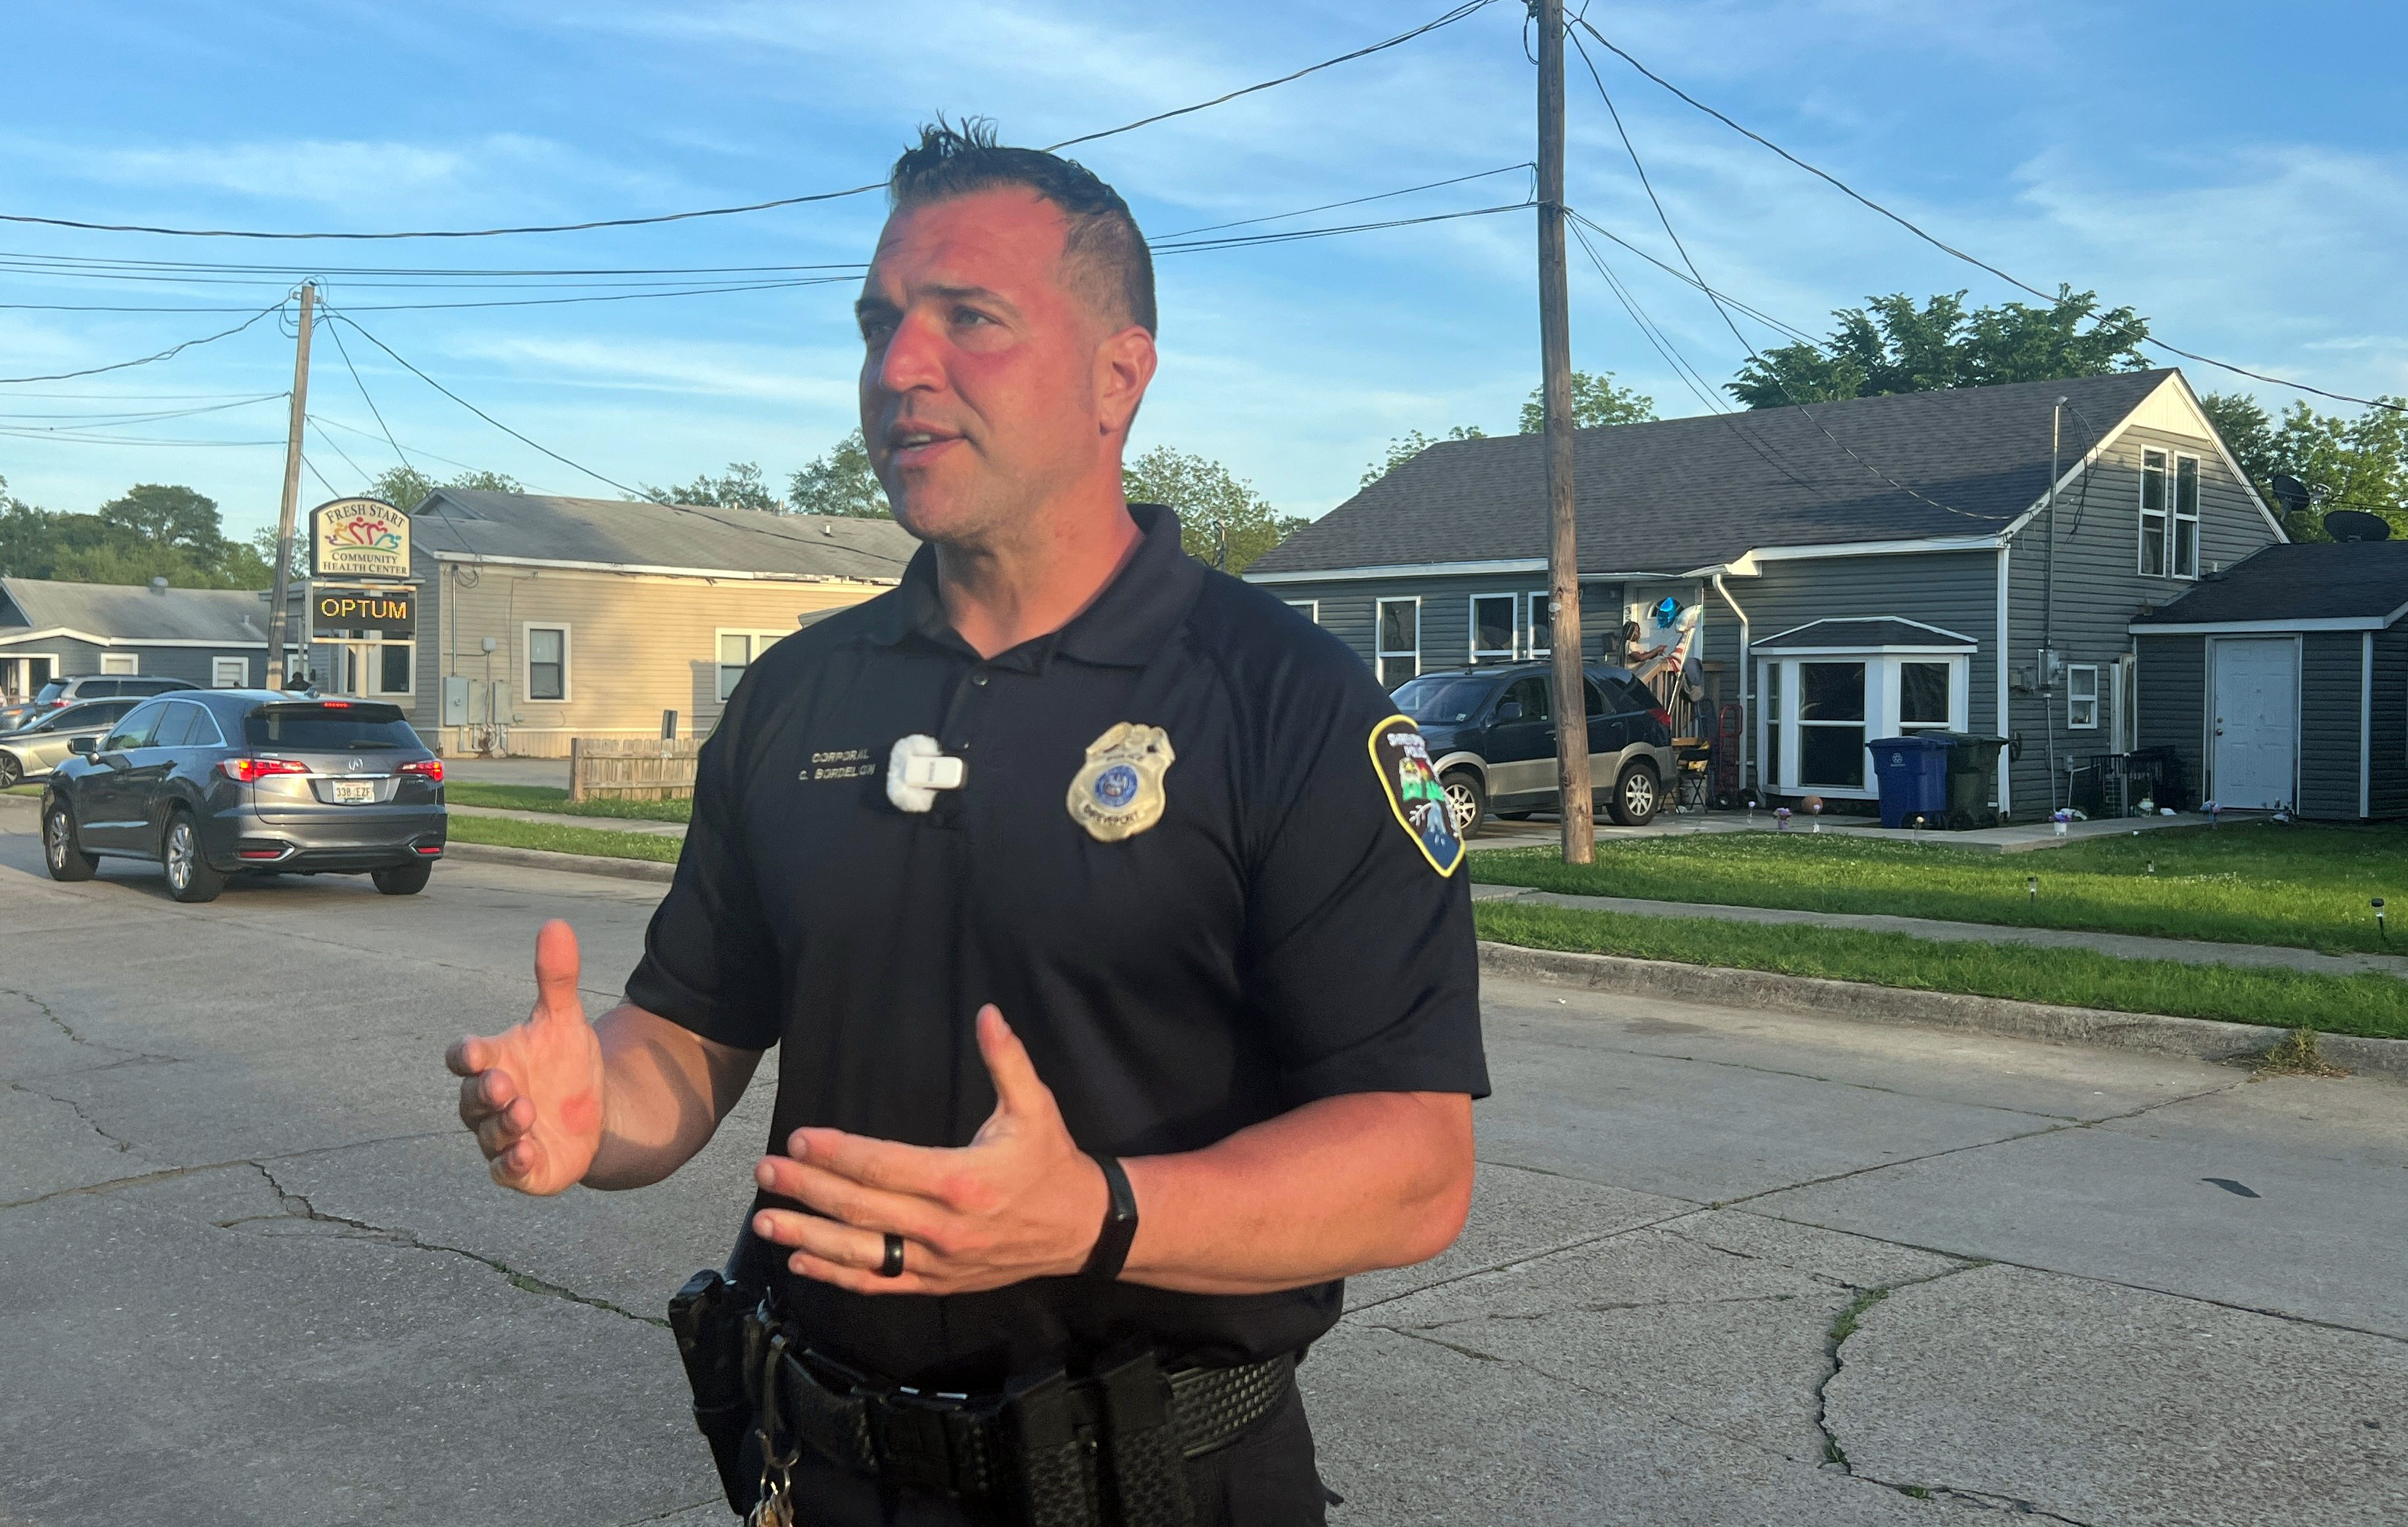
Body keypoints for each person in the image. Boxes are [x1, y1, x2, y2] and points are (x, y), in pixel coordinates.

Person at [446, 121, 1486, 1527]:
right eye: (879, 324)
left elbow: (1414, 1169)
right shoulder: (797, 696)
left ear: (1121, 376)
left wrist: (1096, 1214)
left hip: (1163, 1485)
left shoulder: (1290, 707)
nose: (898, 370)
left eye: (969, 320)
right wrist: (598, 1107)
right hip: (821, 1474)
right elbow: (692, 1033)